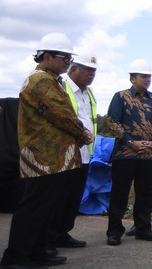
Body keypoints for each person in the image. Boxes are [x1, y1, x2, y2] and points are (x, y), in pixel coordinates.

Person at [0, 33, 93, 269]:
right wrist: (82, 133)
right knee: (34, 207)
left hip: (56, 156)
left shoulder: (52, 79)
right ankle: (15, 257)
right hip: (43, 157)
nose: (68, 62)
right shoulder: (40, 80)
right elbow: (61, 114)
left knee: (47, 207)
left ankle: (38, 251)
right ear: (47, 56)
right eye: (65, 57)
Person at [105, 59, 152, 246]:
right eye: (143, 76)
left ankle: (143, 229)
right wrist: (131, 142)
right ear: (132, 78)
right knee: (119, 194)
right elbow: (112, 122)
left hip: (148, 155)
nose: (147, 79)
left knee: (145, 194)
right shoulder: (121, 97)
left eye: (149, 76)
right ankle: (114, 231)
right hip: (125, 154)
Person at [47, 54, 99, 251]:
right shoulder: (62, 87)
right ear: (74, 69)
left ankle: (62, 233)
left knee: (73, 197)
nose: (92, 74)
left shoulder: (89, 93)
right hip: (64, 154)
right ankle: (48, 237)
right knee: (58, 197)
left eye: (94, 71)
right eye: (88, 70)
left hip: (84, 154)